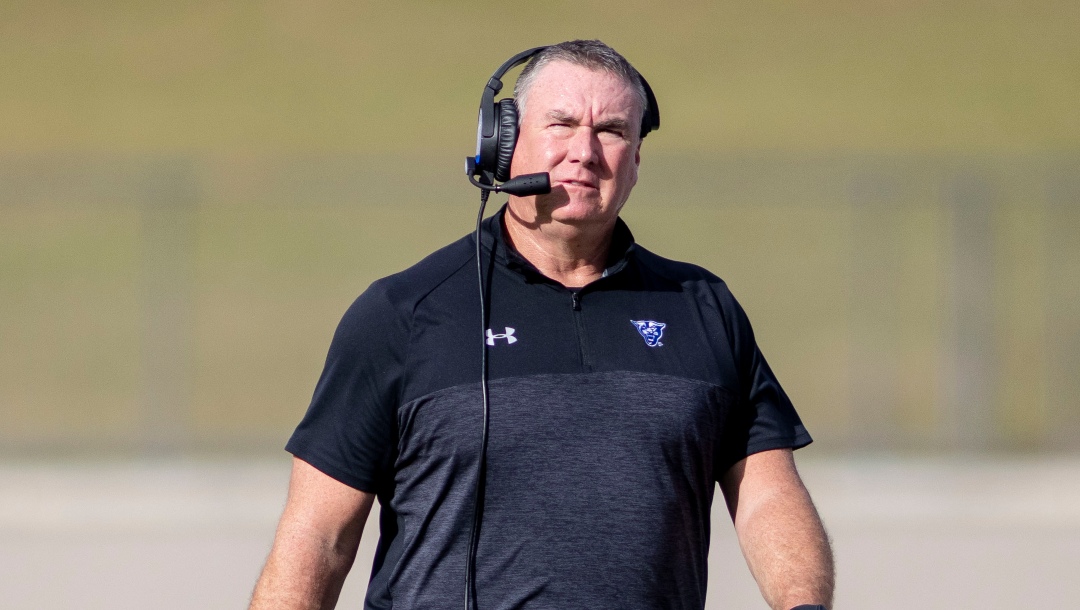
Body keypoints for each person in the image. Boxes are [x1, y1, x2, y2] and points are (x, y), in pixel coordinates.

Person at [250, 40, 834, 610]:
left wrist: (803, 602)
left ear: (635, 161)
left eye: (612, 131)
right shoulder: (401, 313)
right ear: (504, 143)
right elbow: (319, 537)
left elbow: (766, 494)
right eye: (562, 124)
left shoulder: (703, 307)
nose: (585, 151)